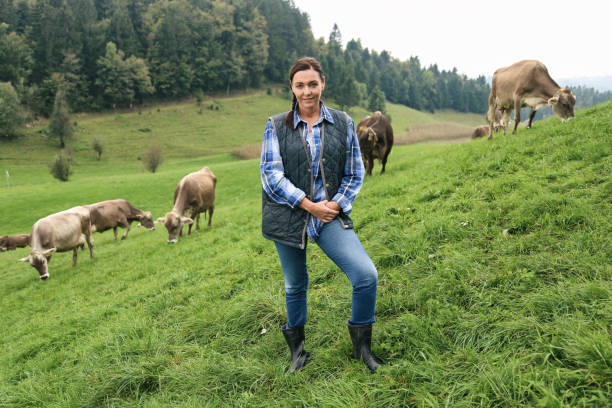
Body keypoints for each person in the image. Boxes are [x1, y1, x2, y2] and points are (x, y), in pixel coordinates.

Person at [260, 57, 382, 373]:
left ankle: (362, 349)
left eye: (312, 84)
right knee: (295, 285)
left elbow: (355, 172)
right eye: (300, 85)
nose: (307, 91)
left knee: (366, 276)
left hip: (329, 215)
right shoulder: (275, 126)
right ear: (292, 88)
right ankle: (298, 353)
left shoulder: (344, 123)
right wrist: (308, 204)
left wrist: (337, 204)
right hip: (290, 215)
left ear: (323, 83)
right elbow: (271, 175)